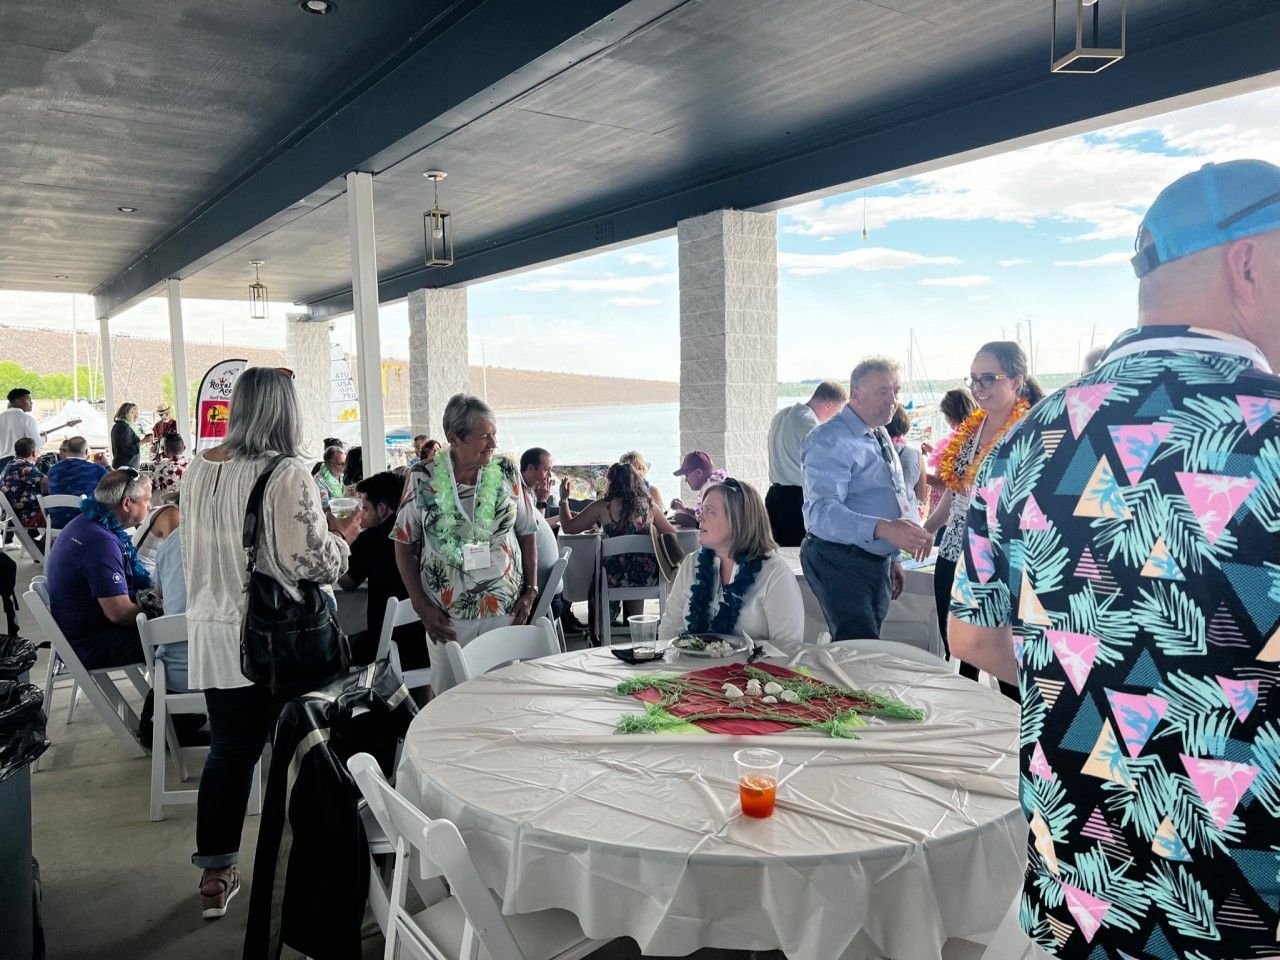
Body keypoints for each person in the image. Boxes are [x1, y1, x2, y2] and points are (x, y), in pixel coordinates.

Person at [950, 159, 1280, 959]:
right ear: (1247, 264)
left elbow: (973, 636)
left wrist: (1093, 669)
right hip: (1245, 910)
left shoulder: (1030, 436)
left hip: (1084, 895)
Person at [181, 367, 359, 920]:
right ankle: (310, 868)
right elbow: (308, 560)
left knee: (229, 752)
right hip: (274, 638)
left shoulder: (195, 469)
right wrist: (343, 542)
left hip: (211, 630)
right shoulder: (287, 473)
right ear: (287, 410)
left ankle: (215, 874)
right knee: (304, 752)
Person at [393, 394, 539, 692]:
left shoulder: (507, 471)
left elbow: (527, 531)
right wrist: (421, 606)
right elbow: (404, 545)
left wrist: (531, 589)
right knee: (450, 701)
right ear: (453, 438)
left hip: (505, 609)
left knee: (504, 697)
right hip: (447, 616)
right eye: (484, 436)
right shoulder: (423, 476)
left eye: (494, 434)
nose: (493, 443)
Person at [923, 342, 1040, 699]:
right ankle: (969, 727)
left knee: (1003, 655)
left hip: (1006, 558)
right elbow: (955, 492)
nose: (978, 388)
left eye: (989, 378)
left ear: (1016, 380)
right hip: (954, 553)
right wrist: (927, 529)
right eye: (974, 379)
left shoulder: (1031, 430)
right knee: (957, 648)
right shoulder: (971, 430)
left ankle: (1013, 734)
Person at [800, 357, 932, 640]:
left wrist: (892, 555)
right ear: (856, 395)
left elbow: (889, 494)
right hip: (840, 558)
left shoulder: (878, 431)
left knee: (868, 646)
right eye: (884, 392)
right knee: (859, 650)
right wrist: (885, 529)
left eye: (896, 391)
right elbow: (821, 514)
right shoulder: (829, 439)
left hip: (873, 558)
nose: (894, 400)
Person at [659, 478, 804, 649]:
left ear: (737, 520)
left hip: (753, 673)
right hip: (693, 672)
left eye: (710, 511)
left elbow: (789, 648)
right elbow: (669, 629)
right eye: (702, 509)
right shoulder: (692, 563)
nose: (700, 516)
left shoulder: (774, 573)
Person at [44, 468, 152, 671]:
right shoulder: (100, 542)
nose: (150, 506)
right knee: (182, 636)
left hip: (78, 634)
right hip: (93, 644)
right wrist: (160, 612)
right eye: (147, 500)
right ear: (127, 503)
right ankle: (168, 700)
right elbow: (119, 614)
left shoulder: (86, 523)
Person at [560, 461, 678, 631]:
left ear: (611, 482)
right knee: (636, 565)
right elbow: (671, 533)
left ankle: (602, 629)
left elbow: (569, 528)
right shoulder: (649, 506)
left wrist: (564, 500)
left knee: (614, 568)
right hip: (646, 577)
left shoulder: (602, 506)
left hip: (613, 579)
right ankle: (636, 628)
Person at [338, 471, 426, 669]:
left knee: (336, 646)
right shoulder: (422, 532)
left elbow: (347, 582)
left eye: (365, 509)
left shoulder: (371, 538)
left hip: (386, 644)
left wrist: (341, 540)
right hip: (427, 639)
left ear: (382, 508)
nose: (361, 515)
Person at [765, 380, 848, 546]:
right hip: (797, 500)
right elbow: (826, 465)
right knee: (800, 557)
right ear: (829, 406)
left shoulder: (781, 415)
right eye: (837, 413)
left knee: (780, 554)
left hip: (774, 497)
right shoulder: (810, 425)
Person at [924, 388, 977, 521]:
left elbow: (949, 483)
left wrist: (921, 476)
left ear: (951, 417)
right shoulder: (970, 436)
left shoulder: (961, 442)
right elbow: (951, 461)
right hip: (947, 508)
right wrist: (934, 451)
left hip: (947, 511)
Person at [0, 387, 79, 467]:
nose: (31, 402)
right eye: (28, 399)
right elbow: (36, 443)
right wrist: (44, 438)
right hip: (18, 465)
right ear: (17, 400)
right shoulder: (27, 419)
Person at [45, 435, 107, 527]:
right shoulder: (97, 469)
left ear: (67, 450)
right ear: (86, 451)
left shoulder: (52, 470)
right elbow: (117, 485)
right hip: (85, 525)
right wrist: (106, 466)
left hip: (58, 524)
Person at [885, 403, 927, 520]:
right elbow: (921, 495)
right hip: (909, 519)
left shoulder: (873, 451)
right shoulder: (915, 454)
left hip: (881, 522)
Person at [0, 437, 47, 536]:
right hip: (24, 517)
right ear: (34, 453)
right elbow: (48, 482)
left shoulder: (8, 466)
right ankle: (48, 547)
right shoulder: (26, 467)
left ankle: (40, 544)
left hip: (9, 516)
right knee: (58, 515)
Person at [669, 450, 726, 528]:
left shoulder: (713, 492)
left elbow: (707, 522)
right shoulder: (717, 486)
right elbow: (701, 514)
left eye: (686, 475)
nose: (686, 480)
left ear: (698, 472)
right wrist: (684, 508)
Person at [520, 447, 559, 526]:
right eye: (546, 469)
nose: (549, 475)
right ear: (531, 468)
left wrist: (561, 517)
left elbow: (541, 523)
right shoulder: (518, 493)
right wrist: (541, 501)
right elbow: (537, 528)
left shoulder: (532, 490)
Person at [153, 432, 190, 500]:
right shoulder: (192, 464)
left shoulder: (161, 467)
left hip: (170, 507)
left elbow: (151, 487)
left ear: (166, 451)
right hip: (189, 505)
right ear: (184, 448)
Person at [110, 402, 143, 470]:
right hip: (126, 468)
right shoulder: (123, 427)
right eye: (134, 413)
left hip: (125, 466)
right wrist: (144, 441)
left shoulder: (119, 426)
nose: (137, 416)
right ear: (127, 413)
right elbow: (128, 449)